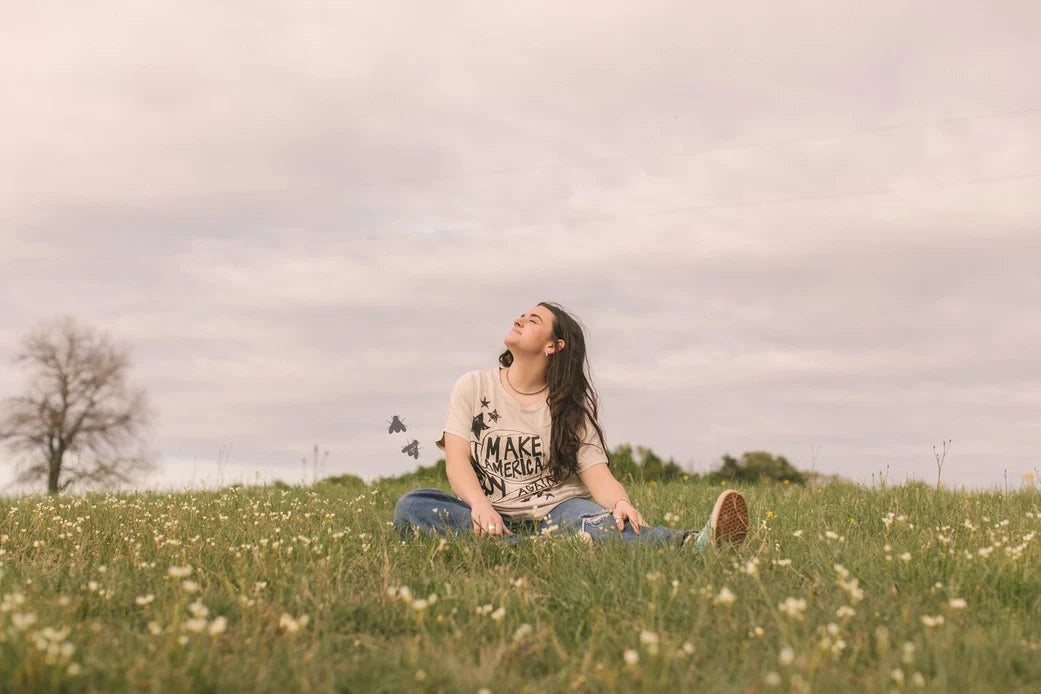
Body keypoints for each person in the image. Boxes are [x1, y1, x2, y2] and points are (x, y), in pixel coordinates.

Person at [393, 301, 749, 550]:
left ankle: (692, 543)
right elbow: (456, 462)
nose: (520, 320)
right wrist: (479, 505)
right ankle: (531, 548)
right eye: (521, 315)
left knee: (600, 523)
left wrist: (621, 502)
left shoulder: (568, 408)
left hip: (557, 512)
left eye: (533, 320)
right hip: (490, 514)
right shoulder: (473, 385)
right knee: (413, 506)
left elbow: (597, 476)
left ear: (553, 345)